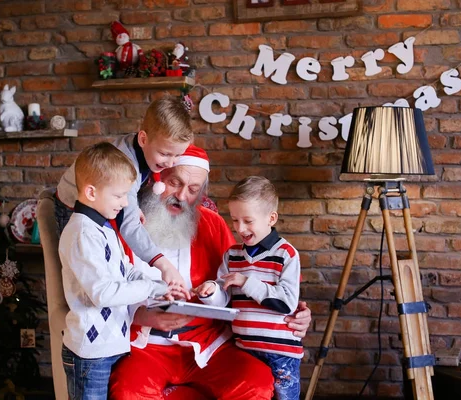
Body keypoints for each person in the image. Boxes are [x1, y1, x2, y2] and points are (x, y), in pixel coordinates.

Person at [109, 146, 312, 400]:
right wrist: (143, 316)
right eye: (174, 182)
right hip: (145, 345)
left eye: (193, 190)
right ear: (157, 180)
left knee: (256, 384)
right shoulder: (126, 226)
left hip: (209, 346)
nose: (182, 196)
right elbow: (101, 290)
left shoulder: (213, 224)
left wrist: (296, 311)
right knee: (128, 392)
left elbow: (262, 278)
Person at [59, 143, 183, 400]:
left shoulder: (103, 228)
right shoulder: (82, 233)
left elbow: (123, 271)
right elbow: (103, 293)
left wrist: (161, 287)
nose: (126, 203)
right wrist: (151, 287)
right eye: (118, 196)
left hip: (111, 344)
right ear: (91, 192)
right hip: (90, 353)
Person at [55, 96, 193, 290]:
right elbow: (129, 226)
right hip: (71, 206)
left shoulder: (139, 145)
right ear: (143, 138)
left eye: (177, 155)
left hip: (97, 205)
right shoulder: (128, 162)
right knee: (83, 274)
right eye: (165, 154)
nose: (170, 163)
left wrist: (132, 204)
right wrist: (163, 264)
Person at [196, 176, 303, 400]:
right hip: (243, 349)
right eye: (235, 220)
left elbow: (286, 302)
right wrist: (212, 290)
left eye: (248, 220)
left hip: (280, 354)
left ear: (271, 218)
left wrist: (246, 282)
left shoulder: (286, 254)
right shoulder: (232, 255)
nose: (240, 228)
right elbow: (224, 297)